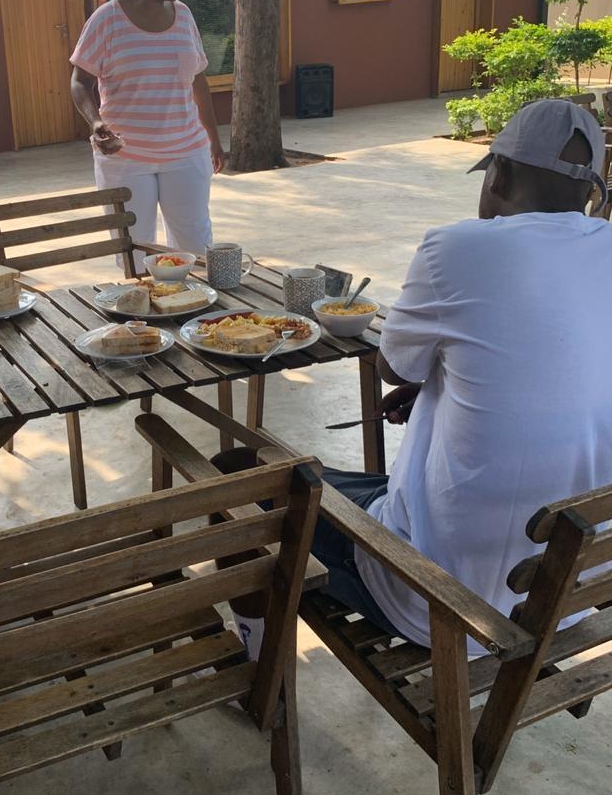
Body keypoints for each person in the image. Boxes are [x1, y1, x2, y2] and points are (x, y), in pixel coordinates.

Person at [214, 99, 612, 657]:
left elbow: (392, 367)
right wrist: (443, 387)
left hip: (444, 600)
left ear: (497, 172)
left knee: (236, 472)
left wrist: (426, 375)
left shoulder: (458, 247)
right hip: (567, 598)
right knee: (356, 483)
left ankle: (255, 668)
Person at [70, 0, 225, 264]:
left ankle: (194, 314)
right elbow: (80, 81)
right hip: (126, 158)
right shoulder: (107, 20)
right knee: (134, 252)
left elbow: (198, 81)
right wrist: (95, 122)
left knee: (195, 249)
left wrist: (213, 137)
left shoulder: (184, 17)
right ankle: (142, 317)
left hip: (186, 152)